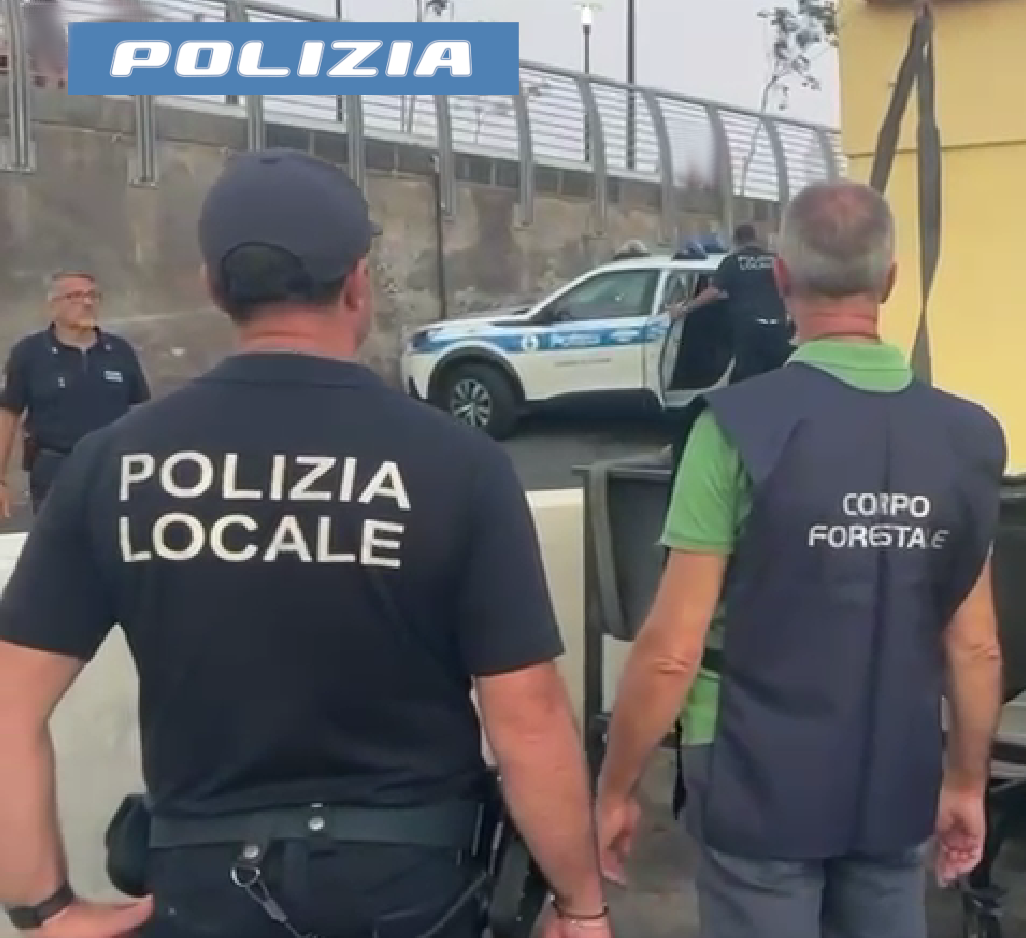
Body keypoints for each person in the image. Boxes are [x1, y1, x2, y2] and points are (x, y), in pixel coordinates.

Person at [0, 149, 610, 938]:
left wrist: (43, 910)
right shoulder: (458, 462)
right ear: (358, 282)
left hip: (203, 891)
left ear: (212, 285)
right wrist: (581, 904)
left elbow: (9, 702)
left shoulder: (112, 463)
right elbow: (527, 718)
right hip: (415, 890)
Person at [595, 181, 1007, 938]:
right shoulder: (968, 437)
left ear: (782, 278)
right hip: (895, 770)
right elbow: (975, 645)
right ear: (889, 282)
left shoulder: (737, 426)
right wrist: (965, 780)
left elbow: (671, 650)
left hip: (755, 773)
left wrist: (616, 788)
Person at [0, 270, 151, 516]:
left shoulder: (119, 351)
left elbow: (141, 412)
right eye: (75, 296)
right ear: (53, 305)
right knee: (57, 537)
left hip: (113, 468)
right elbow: (8, 414)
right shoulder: (29, 354)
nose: (87, 302)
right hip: (55, 468)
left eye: (93, 295)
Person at [671, 223, 792, 383]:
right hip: (777, 328)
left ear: (736, 241)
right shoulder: (776, 260)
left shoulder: (732, 262)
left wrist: (685, 308)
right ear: (755, 239)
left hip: (749, 329)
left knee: (750, 378)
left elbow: (713, 292)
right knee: (777, 376)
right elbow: (790, 287)